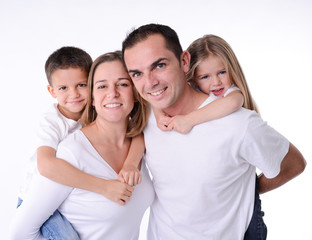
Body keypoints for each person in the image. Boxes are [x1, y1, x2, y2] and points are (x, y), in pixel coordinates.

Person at [122, 23, 306, 240]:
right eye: (137, 74)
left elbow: (294, 164)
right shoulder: (145, 113)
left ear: (184, 61)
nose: (150, 82)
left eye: (160, 66)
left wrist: (246, 192)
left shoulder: (239, 124)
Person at [10, 51, 154, 240]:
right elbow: (20, 233)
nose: (112, 93)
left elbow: (139, 134)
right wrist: (104, 187)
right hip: (30, 191)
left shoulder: (142, 137)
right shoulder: (63, 143)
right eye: (102, 86)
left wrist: (131, 163)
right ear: (94, 97)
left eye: (123, 84)